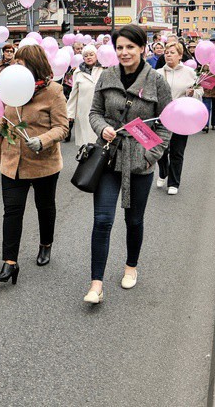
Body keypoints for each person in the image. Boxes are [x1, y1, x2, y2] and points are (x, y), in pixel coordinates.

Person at [85, 24, 172, 304]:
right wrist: (101, 129)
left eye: (130, 47)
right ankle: (96, 284)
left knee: (133, 220)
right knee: (102, 220)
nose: (124, 52)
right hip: (109, 158)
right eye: (119, 47)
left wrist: (151, 156)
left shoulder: (157, 81)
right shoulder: (107, 75)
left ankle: (131, 266)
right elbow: (95, 112)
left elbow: (166, 124)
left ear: (142, 48)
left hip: (140, 163)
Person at [0, 45, 68, 284]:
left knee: (45, 206)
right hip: (12, 161)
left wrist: (42, 140)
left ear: (34, 65)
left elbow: (62, 127)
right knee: (12, 211)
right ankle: (9, 262)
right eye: (15, 64)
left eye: (20, 64)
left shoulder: (53, 91)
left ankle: (46, 243)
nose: (15, 68)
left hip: (44, 162)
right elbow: (5, 121)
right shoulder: (10, 88)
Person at [157, 42, 203, 195]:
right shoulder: (157, 73)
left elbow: (199, 90)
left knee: (177, 151)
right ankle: (163, 171)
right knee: (161, 150)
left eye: (171, 52)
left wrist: (193, 93)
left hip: (181, 118)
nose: (168, 55)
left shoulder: (189, 72)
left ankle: (173, 183)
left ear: (180, 55)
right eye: (166, 52)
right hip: (161, 117)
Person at [67, 44, 105, 146]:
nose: (88, 57)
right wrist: (70, 113)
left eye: (91, 55)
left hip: (101, 109)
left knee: (100, 139)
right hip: (83, 110)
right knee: (86, 142)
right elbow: (74, 94)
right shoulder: (78, 73)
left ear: (96, 55)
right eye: (86, 55)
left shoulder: (104, 70)